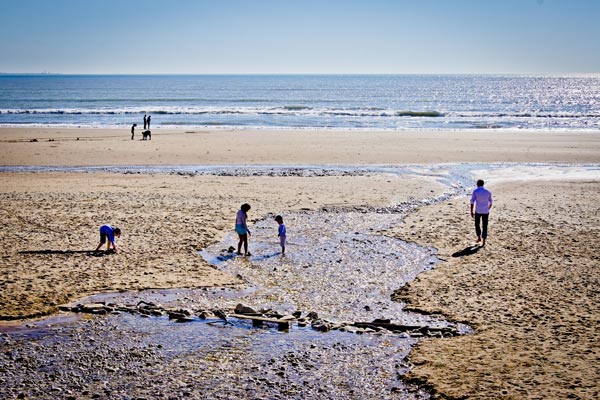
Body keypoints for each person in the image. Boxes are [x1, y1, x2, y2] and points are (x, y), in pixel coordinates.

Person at [470, 179, 493, 246]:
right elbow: (491, 202)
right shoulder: (488, 192)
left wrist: (471, 211)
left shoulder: (475, 191)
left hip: (478, 210)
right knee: (485, 225)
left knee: (477, 224)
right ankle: (483, 241)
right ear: (483, 184)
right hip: (485, 211)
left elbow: (472, 202)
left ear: (477, 184)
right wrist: (488, 208)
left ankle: (479, 237)